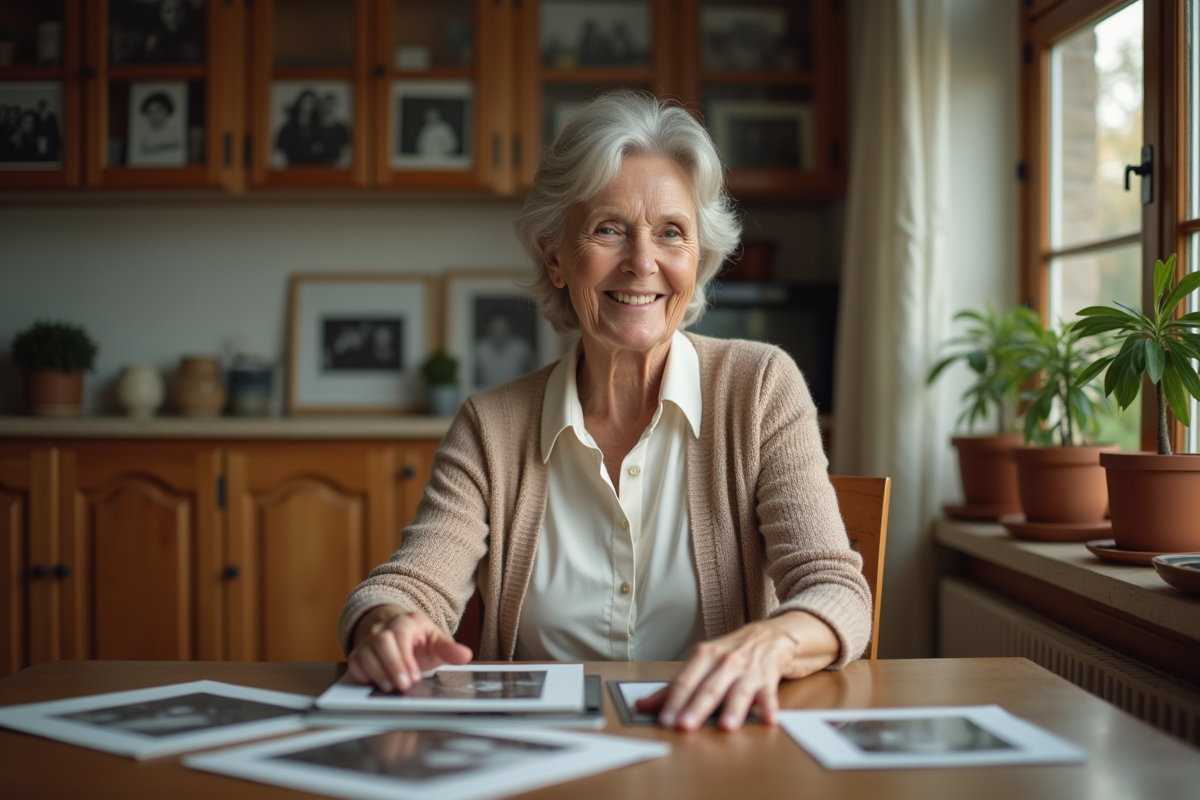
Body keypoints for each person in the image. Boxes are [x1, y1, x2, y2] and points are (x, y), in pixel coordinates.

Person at [339, 89, 872, 733]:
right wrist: (388, 623)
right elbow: (406, 588)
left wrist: (771, 641)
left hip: (713, 746)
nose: (643, 262)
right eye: (609, 229)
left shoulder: (760, 388)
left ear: (696, 260)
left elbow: (836, 589)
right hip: (538, 755)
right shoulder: (491, 426)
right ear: (556, 256)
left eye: (671, 233)